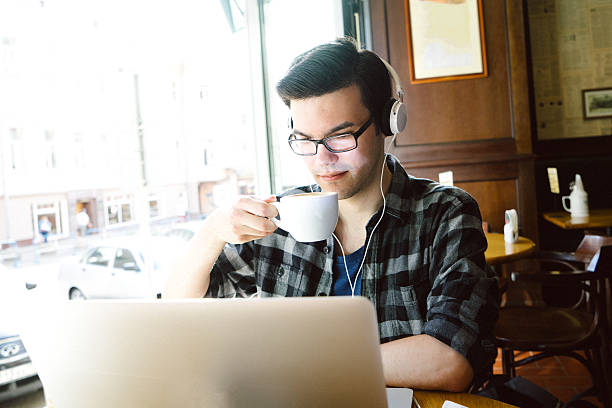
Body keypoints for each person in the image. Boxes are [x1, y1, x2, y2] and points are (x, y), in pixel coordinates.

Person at [164, 37, 498, 392]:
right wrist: (212, 232)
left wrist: (297, 364)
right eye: (304, 140)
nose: (321, 160)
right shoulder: (279, 217)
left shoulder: (444, 213)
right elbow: (181, 311)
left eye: (341, 137)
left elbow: (449, 361)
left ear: (388, 123)